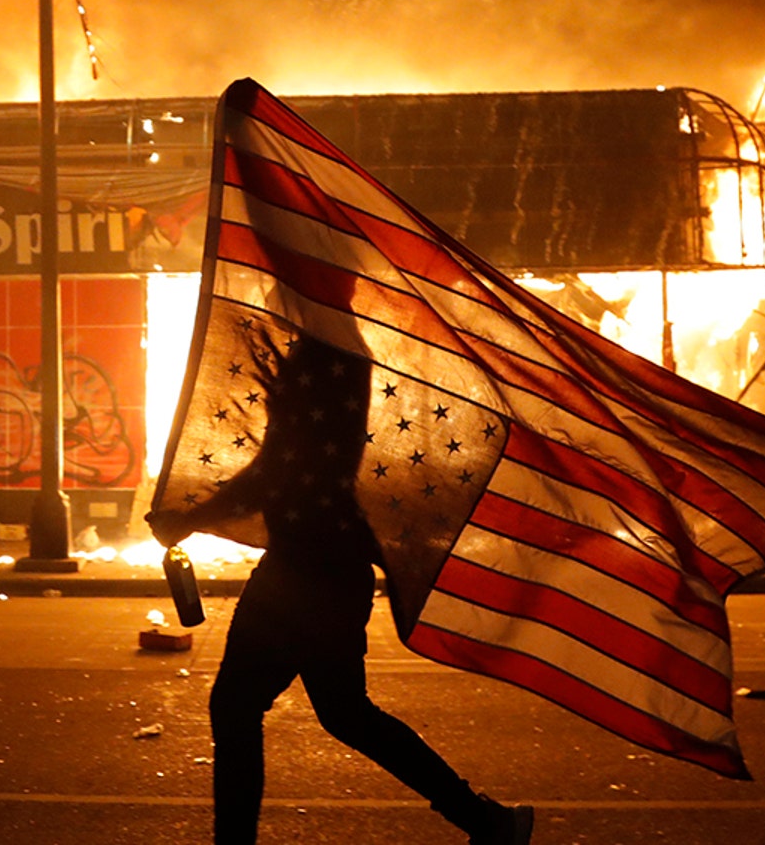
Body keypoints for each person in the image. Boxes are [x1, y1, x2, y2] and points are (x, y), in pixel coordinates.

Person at [149, 336, 533, 845]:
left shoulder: (327, 353)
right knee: (343, 714)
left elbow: (279, 469)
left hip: (309, 570)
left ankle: (486, 822)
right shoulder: (329, 349)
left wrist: (191, 519)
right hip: (322, 565)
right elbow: (283, 465)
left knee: (243, 706)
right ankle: (487, 822)